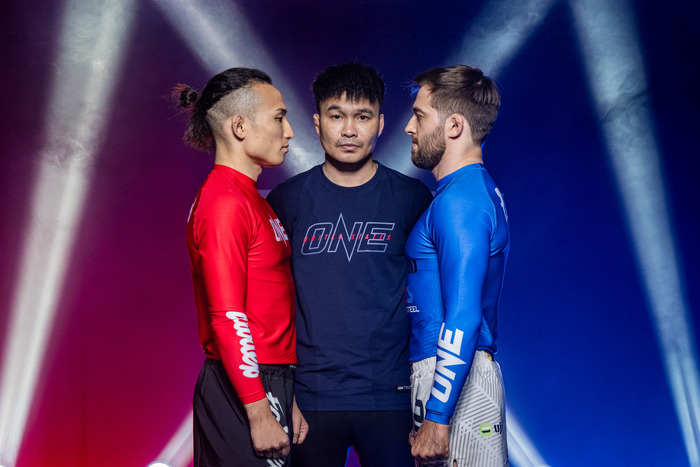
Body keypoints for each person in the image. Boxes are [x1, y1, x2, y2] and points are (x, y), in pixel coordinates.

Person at [266, 62, 433, 467]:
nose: (349, 130)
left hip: (391, 396)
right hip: (310, 398)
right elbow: (267, 305)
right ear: (317, 123)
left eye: (362, 117)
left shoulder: (412, 198)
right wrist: (280, 395)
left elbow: (434, 302)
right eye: (336, 116)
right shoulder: (286, 199)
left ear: (380, 124)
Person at [177, 67, 308, 467]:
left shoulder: (250, 198)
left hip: (268, 380)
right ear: (239, 126)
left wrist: (286, 398)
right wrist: (258, 411)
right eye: (279, 117)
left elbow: (267, 306)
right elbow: (228, 315)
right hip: (243, 386)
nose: (289, 132)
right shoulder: (224, 203)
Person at [404, 65, 510, 466]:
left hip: (452, 378)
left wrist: (437, 415)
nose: (409, 128)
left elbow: (463, 316)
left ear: (454, 125)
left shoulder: (460, 201)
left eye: (419, 116)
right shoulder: (464, 192)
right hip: (450, 374)